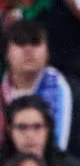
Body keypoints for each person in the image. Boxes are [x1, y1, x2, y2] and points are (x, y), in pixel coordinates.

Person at [1, 20, 73, 151]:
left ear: (48, 52)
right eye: (20, 43)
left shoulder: (73, 93)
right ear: (6, 53)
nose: (28, 50)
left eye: (35, 43)